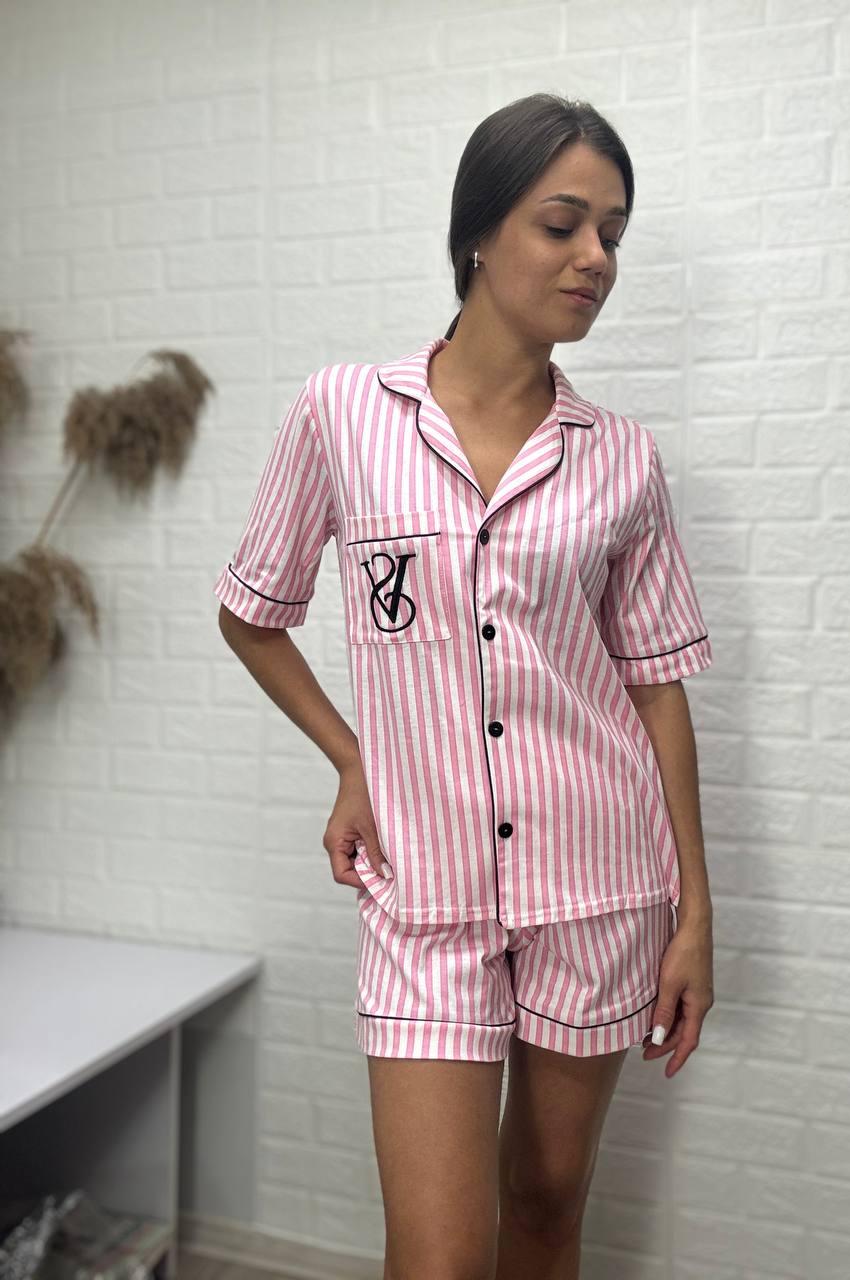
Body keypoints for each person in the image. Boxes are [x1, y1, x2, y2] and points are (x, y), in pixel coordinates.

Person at [215, 92, 715, 1280]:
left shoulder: (621, 457)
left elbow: (654, 687)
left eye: (612, 234)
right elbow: (252, 613)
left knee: (542, 1206)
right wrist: (354, 757)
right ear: (479, 232)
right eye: (562, 224)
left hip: (597, 885)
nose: (595, 259)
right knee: (436, 1253)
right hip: (422, 894)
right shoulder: (344, 412)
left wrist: (693, 911)